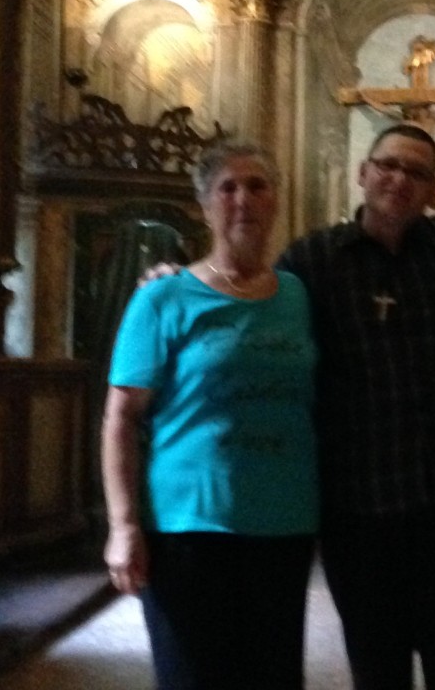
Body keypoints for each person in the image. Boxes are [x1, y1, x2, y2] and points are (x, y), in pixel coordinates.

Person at [140, 122, 435, 690]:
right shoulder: (312, 261)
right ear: (362, 174)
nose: (399, 179)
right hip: (359, 513)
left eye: (417, 172)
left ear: (434, 189)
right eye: (388, 165)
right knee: (377, 673)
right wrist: (175, 279)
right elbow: (247, 292)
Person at [101, 142, 319, 690]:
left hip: (283, 523)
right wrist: (123, 526)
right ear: (204, 206)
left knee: (273, 679)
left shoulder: (299, 295)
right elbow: (121, 418)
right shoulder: (163, 298)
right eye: (228, 188)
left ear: (276, 201)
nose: (243, 199)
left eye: (257, 186)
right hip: (187, 528)